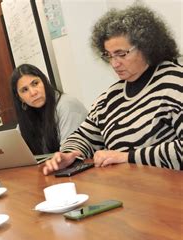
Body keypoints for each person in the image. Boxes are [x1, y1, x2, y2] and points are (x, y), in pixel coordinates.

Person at [43, 4, 182, 174]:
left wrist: (127, 157)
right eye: (109, 55)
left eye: (121, 54)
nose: (114, 64)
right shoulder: (110, 98)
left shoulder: (175, 82)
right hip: (127, 189)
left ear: (147, 47)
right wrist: (69, 154)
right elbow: (84, 135)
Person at [10, 64, 88, 154]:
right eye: (25, 90)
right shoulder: (26, 118)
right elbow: (14, 152)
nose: (33, 92)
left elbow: (69, 153)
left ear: (45, 82)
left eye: (35, 83)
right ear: (20, 98)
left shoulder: (66, 105)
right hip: (54, 166)